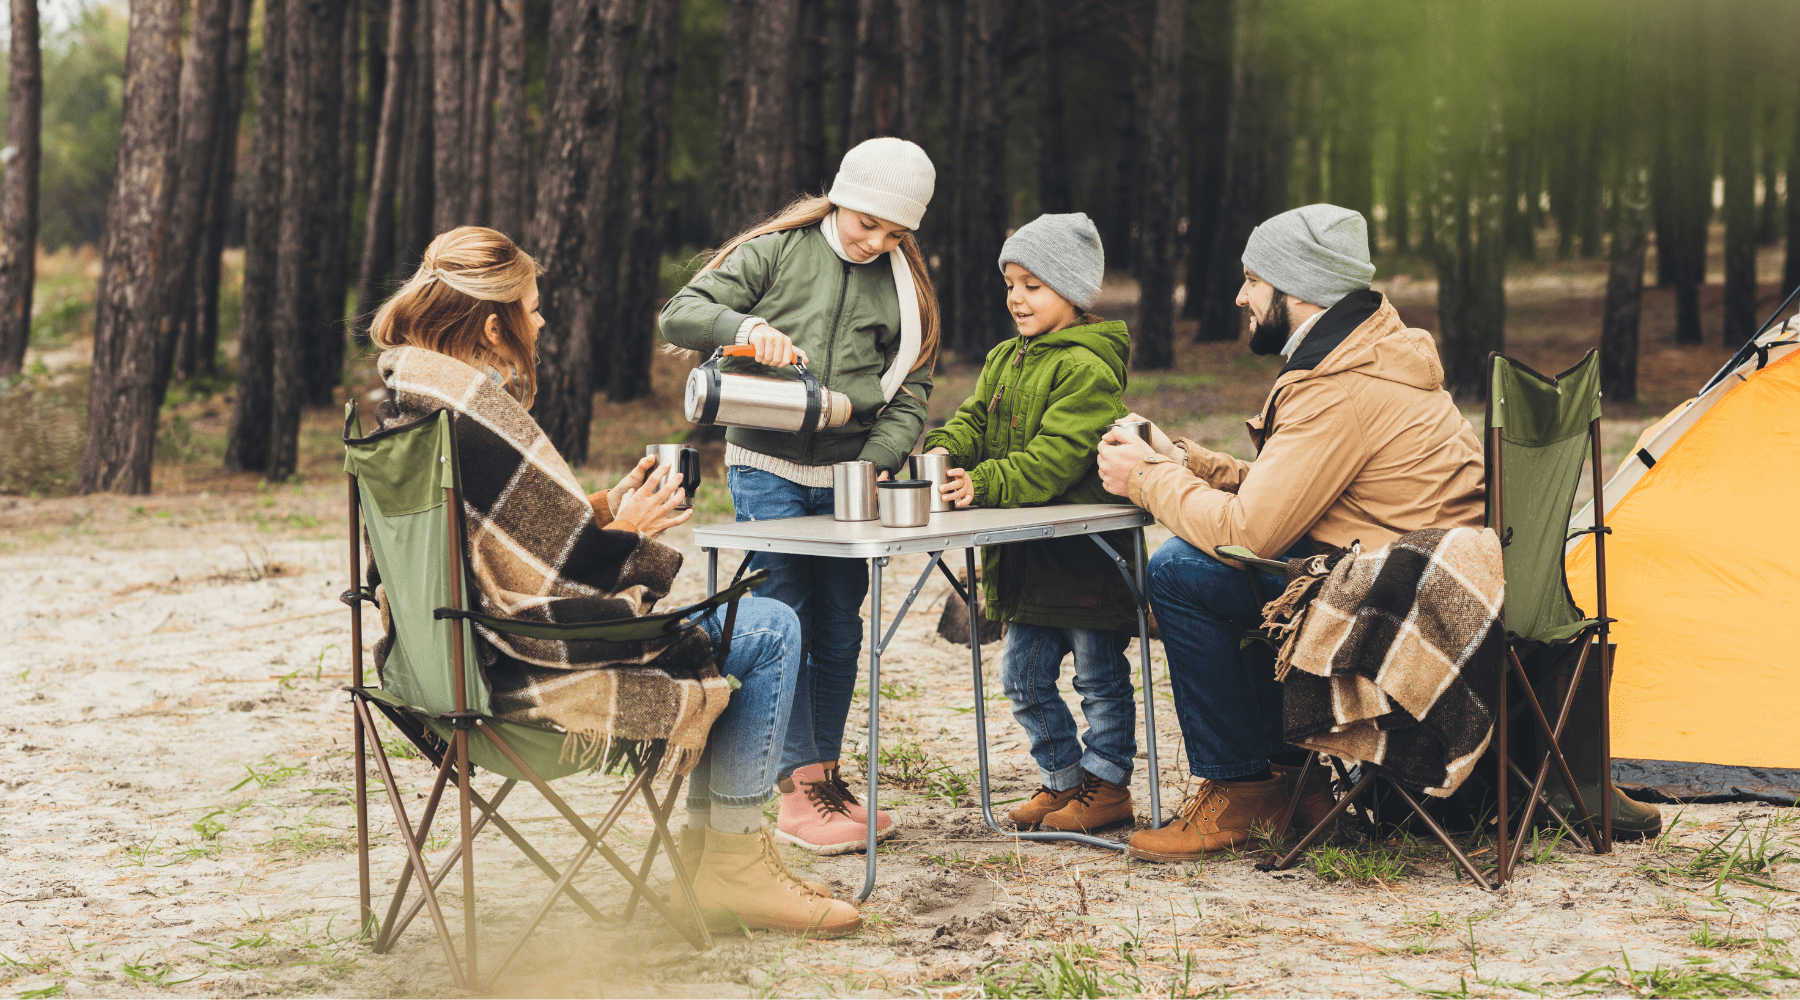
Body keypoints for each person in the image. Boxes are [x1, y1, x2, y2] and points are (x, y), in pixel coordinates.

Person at [367, 226, 859, 936]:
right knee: (771, 630)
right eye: (532, 308)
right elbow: (559, 577)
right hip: (520, 675)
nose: (542, 320)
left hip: (437, 669)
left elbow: (485, 544)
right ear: (492, 322)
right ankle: (730, 865)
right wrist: (628, 535)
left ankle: (720, 863)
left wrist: (598, 510)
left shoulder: (407, 401)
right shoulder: (474, 413)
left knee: (747, 632)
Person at [1095, 203, 1488, 863]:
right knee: (1231, 570)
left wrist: (1143, 480)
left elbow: (1250, 532)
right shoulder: (1371, 351)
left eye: (1253, 279)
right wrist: (1187, 463)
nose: (1241, 296)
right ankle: (1292, 785)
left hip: (1397, 604)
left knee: (1184, 573)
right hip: (1419, 571)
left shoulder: (1337, 386)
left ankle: (1244, 787)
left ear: (1297, 288)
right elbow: (1303, 489)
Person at [660, 138, 940, 856]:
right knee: (784, 621)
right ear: (840, 196)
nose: (877, 242)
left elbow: (910, 393)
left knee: (840, 625)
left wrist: (876, 461)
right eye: (867, 224)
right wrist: (744, 327)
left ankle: (824, 777)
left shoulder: (905, 286)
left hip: (850, 479)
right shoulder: (777, 252)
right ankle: (792, 792)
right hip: (767, 469)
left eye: (896, 234)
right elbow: (680, 316)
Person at [922, 213, 1141, 833]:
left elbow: (1053, 460)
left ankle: (1107, 787)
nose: (1016, 297)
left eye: (1033, 285)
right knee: (1022, 675)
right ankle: (1062, 780)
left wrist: (983, 483)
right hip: (1027, 557)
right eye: (1010, 283)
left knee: (1098, 677)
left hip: (1085, 556)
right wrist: (946, 450)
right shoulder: (1003, 359)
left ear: (1071, 291)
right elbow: (971, 420)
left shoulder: (1088, 367)